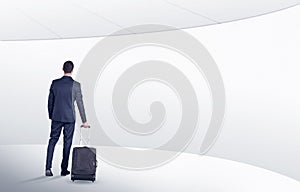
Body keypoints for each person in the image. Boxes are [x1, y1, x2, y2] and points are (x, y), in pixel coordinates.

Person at [45, 61, 89, 176]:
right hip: (69, 118)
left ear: (62, 69)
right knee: (67, 143)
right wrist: (84, 121)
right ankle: (64, 169)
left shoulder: (55, 83)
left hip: (56, 117)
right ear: (72, 70)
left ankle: (48, 168)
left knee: (52, 140)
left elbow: (50, 102)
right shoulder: (76, 85)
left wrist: (52, 115)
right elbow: (80, 104)